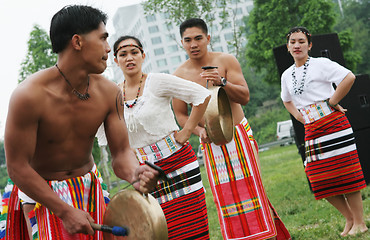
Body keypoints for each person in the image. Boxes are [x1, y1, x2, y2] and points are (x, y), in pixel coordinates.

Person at [3, 5, 159, 240]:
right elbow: (17, 167)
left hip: (89, 187)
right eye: (103, 38)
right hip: (40, 194)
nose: (109, 49)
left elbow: (121, 153)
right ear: (77, 42)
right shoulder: (29, 96)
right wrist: (63, 210)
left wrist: (136, 174)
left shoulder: (109, 92)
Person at [172, 18, 291, 240]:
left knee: (251, 189)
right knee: (225, 195)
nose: (193, 44)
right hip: (210, 141)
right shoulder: (179, 75)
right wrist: (198, 132)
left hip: (238, 134)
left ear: (208, 38)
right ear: (182, 43)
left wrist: (222, 82)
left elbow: (245, 97)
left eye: (198, 38)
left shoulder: (225, 60)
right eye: (188, 40)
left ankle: (268, 236)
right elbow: (180, 113)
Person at [98, 35, 211, 240]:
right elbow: (104, 136)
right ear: (116, 60)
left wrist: (186, 131)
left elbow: (201, 95)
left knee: (193, 227)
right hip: (145, 174)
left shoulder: (157, 81)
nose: (129, 58)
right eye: (123, 54)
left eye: (134, 52)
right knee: (159, 229)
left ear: (143, 55)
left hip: (179, 163)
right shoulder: (112, 93)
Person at [281, 26, 368, 237]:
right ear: (288, 47)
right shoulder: (286, 74)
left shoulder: (321, 64)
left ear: (309, 45)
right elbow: (286, 100)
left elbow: (349, 77)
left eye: (301, 41)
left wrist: (333, 101)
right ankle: (349, 218)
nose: (297, 45)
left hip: (334, 124)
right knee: (318, 177)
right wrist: (299, 117)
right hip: (311, 128)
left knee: (346, 172)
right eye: (293, 42)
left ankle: (360, 222)